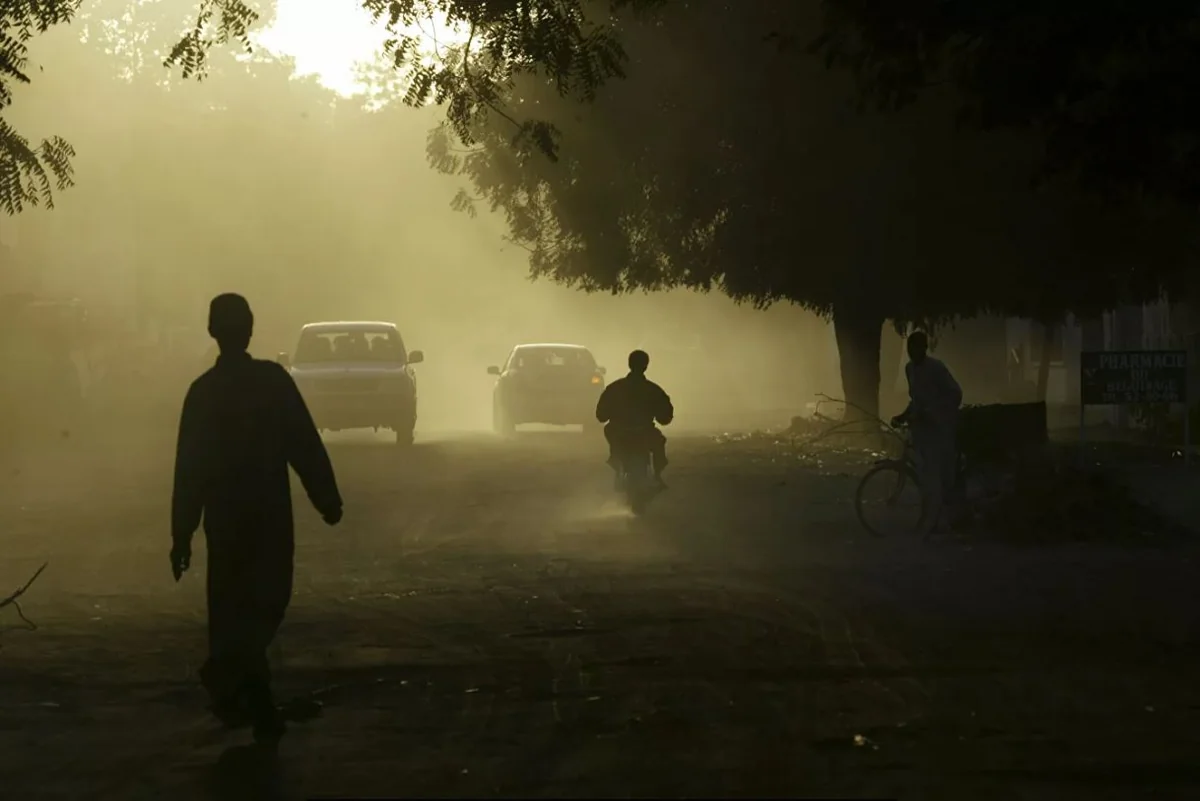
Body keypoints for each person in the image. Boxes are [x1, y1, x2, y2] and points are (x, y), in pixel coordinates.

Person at [171, 293, 343, 743]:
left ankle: (236, 681)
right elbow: (303, 443)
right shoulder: (272, 382)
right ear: (250, 329)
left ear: (213, 332)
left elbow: (188, 470)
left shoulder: (202, 393)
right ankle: (252, 695)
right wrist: (326, 497)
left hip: (225, 521)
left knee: (231, 608)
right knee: (269, 599)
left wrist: (182, 534)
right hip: (268, 515)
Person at [890, 331, 963, 533]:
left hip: (939, 430)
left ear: (924, 348)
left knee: (937, 477)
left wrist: (931, 412)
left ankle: (938, 521)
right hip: (920, 430)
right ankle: (936, 518)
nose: (912, 352)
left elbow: (955, 394)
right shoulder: (909, 369)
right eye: (909, 348)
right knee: (927, 475)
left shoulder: (936, 368)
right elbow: (915, 401)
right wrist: (903, 416)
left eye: (916, 348)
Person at [595, 349, 674, 489]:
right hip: (644, 432)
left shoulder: (614, 388)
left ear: (629, 364)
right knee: (659, 442)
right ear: (646, 366)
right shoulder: (653, 390)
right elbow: (665, 417)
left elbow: (601, 416)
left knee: (610, 433)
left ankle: (616, 461)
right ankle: (657, 475)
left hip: (619, 431)